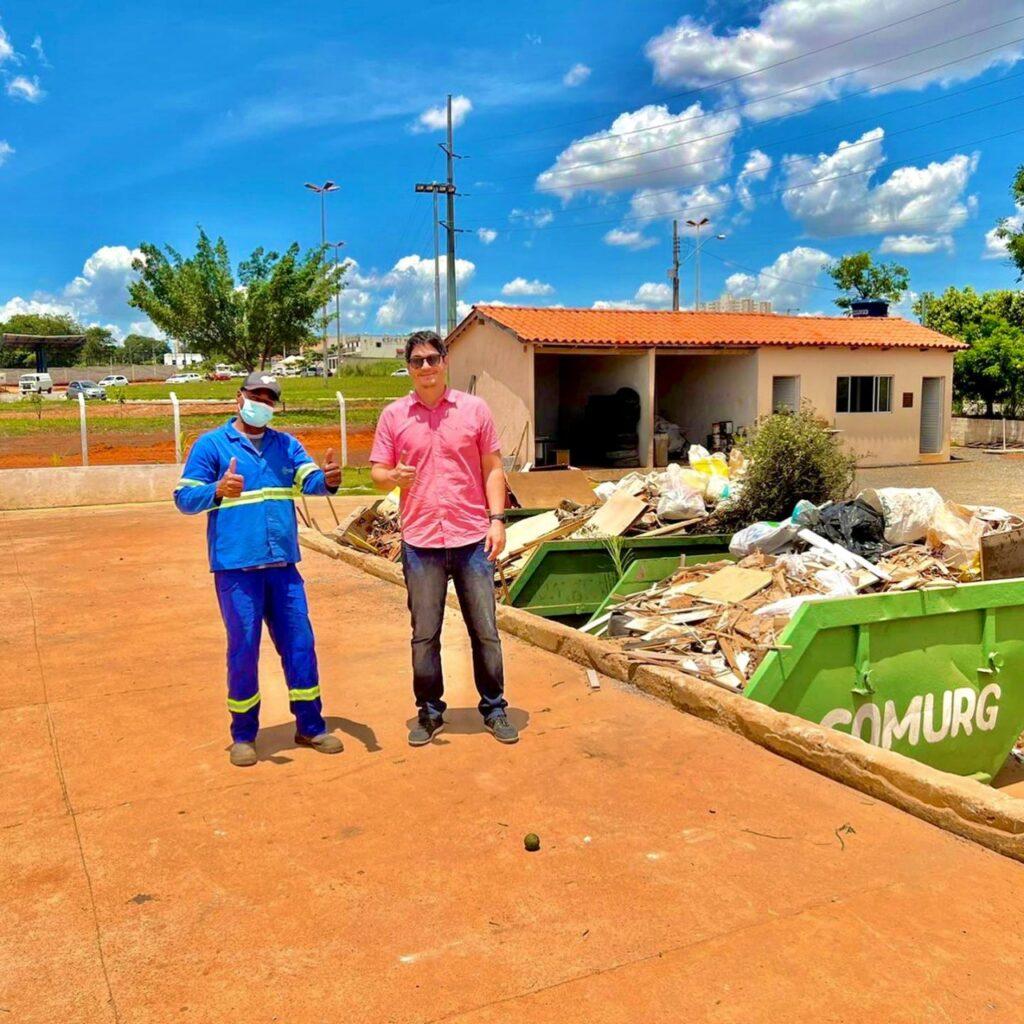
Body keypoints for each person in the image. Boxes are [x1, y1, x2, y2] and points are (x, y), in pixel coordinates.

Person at [173, 371, 345, 767]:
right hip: (237, 571)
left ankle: (310, 726)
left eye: (269, 398)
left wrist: (329, 480)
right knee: (244, 649)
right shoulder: (212, 445)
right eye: (256, 395)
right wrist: (216, 490)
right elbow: (183, 498)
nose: (262, 403)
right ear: (239, 397)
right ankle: (244, 734)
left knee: (300, 645)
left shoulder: (286, 445)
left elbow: (310, 480)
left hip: (283, 569)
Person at [370, 330, 518, 747]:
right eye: (417, 361)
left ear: (445, 361)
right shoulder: (394, 416)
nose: (426, 368)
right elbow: (378, 472)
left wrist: (497, 520)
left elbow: (492, 467)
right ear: (408, 367)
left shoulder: (474, 410)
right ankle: (430, 711)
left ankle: (495, 707)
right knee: (425, 633)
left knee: (485, 629)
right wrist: (392, 477)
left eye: (432, 359)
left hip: (472, 537)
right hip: (421, 543)